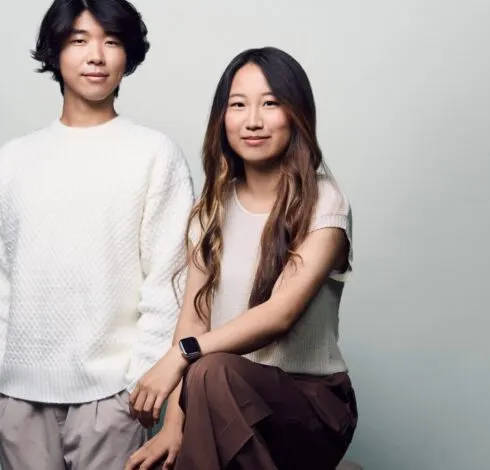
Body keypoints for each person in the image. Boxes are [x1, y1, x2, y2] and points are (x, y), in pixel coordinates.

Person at [0, 0, 194, 469]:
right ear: (55, 51)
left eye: (111, 42)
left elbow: (169, 278)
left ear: (127, 56)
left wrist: (138, 381)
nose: (96, 55)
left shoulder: (154, 154)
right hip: (18, 398)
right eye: (79, 40)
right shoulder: (13, 160)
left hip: (113, 398)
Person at [125, 47, 358, 470]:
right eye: (238, 105)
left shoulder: (324, 201)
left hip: (310, 408)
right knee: (208, 376)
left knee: (209, 369)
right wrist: (173, 426)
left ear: (296, 114)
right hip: (223, 399)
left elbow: (278, 316)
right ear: (222, 119)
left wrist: (181, 356)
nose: (253, 120)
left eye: (270, 104)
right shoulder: (212, 208)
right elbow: (194, 318)